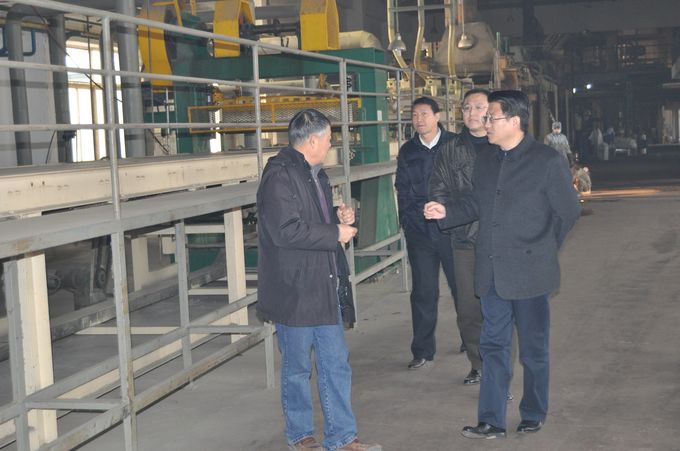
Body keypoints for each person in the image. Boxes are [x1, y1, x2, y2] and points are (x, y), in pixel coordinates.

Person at [424, 90, 580, 439]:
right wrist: (447, 211)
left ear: (514, 120)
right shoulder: (487, 160)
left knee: (533, 350)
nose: (485, 123)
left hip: (530, 274)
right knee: (493, 346)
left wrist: (541, 249)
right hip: (492, 271)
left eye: (491, 117)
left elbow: (568, 212)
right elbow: (477, 205)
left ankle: (533, 412)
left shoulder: (545, 161)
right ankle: (491, 419)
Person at [256, 109, 381, 451]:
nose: (330, 144)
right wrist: (334, 233)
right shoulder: (279, 176)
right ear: (312, 141)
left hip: (324, 283)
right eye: (328, 138)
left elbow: (311, 217)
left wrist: (337, 215)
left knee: (335, 364)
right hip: (295, 288)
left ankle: (342, 437)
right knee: (297, 367)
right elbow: (285, 231)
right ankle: (300, 435)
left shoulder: (315, 174)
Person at [428, 88, 492, 385]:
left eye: (479, 107)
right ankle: (478, 363)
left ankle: (499, 362)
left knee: (500, 306)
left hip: (500, 239)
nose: (472, 113)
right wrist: (447, 215)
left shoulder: (502, 145)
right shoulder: (450, 150)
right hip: (465, 240)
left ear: (492, 111)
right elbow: (438, 188)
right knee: (468, 307)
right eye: (467, 108)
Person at [395, 96, 458, 370]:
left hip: (452, 231)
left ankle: (472, 342)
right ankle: (422, 350)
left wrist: (455, 216)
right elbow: (402, 188)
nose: (418, 119)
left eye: (424, 114)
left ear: (437, 116)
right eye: (414, 115)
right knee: (423, 292)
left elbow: (465, 185)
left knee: (463, 289)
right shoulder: (408, 151)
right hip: (420, 234)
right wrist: (410, 223)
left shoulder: (456, 144)